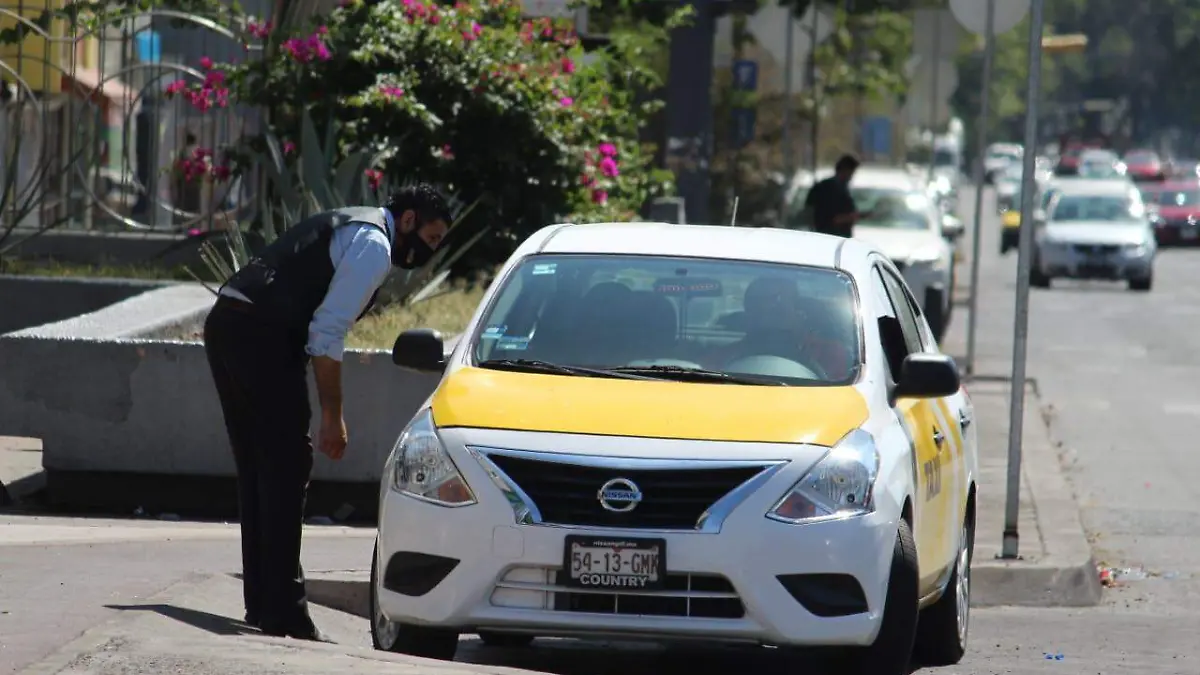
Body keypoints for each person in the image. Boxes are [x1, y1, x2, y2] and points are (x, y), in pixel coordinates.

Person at [202, 184, 452, 642]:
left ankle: (264, 602)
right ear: (410, 220)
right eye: (431, 239)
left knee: (261, 466)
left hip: (227, 322)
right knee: (285, 466)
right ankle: (284, 612)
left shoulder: (352, 220)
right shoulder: (375, 244)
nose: (427, 253)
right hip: (260, 337)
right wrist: (332, 415)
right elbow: (327, 331)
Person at [804, 154, 874, 237]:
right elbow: (836, 219)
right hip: (833, 237)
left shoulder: (822, 186)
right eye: (851, 172)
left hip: (823, 236)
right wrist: (861, 216)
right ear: (845, 170)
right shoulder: (833, 189)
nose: (851, 177)